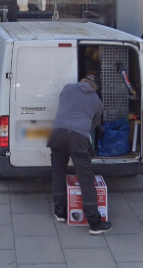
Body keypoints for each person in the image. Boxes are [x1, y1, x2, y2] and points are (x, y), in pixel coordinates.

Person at [48, 75, 112, 234]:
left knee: (58, 173)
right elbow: (95, 123)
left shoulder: (68, 87)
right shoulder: (97, 101)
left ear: (82, 81)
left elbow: (63, 103)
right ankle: (95, 223)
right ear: (95, 87)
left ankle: (60, 212)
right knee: (86, 178)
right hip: (78, 139)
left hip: (57, 134)